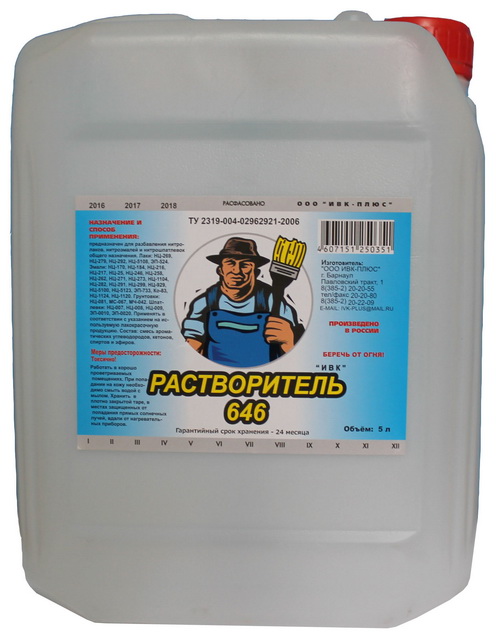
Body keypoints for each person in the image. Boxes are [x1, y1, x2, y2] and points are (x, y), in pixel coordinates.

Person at [181, 237, 304, 367]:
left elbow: (295, 352)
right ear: (220, 270)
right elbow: (193, 345)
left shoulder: (272, 301)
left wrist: (288, 340)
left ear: (256, 272)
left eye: (245, 265)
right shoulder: (205, 303)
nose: (236, 271)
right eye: (230, 263)